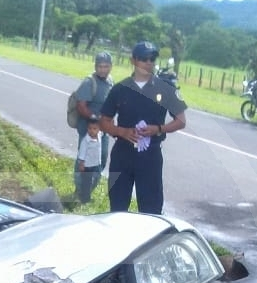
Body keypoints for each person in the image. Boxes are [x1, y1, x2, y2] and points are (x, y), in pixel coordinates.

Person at [99, 41, 187, 214]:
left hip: (150, 156)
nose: (148, 63)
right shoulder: (120, 89)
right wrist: (121, 131)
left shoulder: (165, 88)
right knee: (117, 207)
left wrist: (159, 128)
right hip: (122, 154)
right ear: (133, 60)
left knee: (151, 210)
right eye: (143, 59)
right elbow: (104, 121)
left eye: (152, 58)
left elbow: (181, 120)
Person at [73, 51, 114, 197]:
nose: (103, 69)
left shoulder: (110, 81)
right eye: (100, 66)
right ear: (96, 66)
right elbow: (81, 106)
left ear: (111, 67)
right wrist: (95, 117)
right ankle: (79, 191)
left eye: (106, 66)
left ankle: (88, 190)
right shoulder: (89, 82)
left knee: (100, 160)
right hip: (88, 130)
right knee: (84, 161)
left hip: (103, 131)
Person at [75, 117, 103, 204]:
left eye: (94, 129)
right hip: (87, 166)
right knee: (86, 183)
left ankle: (87, 195)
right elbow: (82, 153)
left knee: (95, 179)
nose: (92, 131)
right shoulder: (86, 141)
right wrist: (81, 164)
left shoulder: (99, 136)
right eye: (90, 128)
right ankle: (84, 199)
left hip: (95, 163)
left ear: (99, 129)